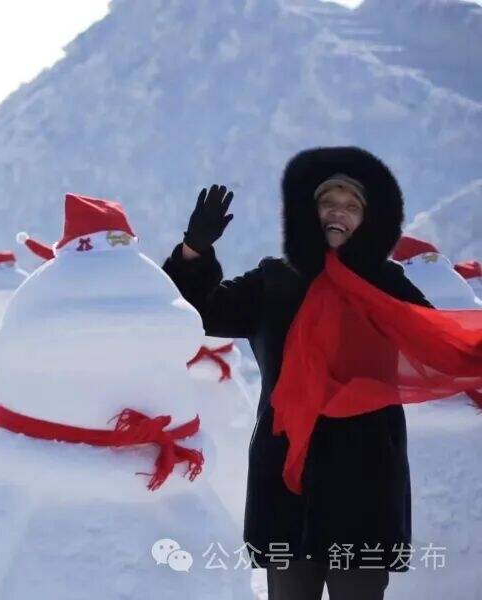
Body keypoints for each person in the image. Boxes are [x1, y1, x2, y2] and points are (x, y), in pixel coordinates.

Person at [163, 147, 429, 599]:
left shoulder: (387, 281)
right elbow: (198, 313)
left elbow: (432, 343)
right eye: (328, 203)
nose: (337, 214)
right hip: (287, 474)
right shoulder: (274, 280)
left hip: (363, 475)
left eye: (351, 206)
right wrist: (194, 251)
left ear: (366, 219)